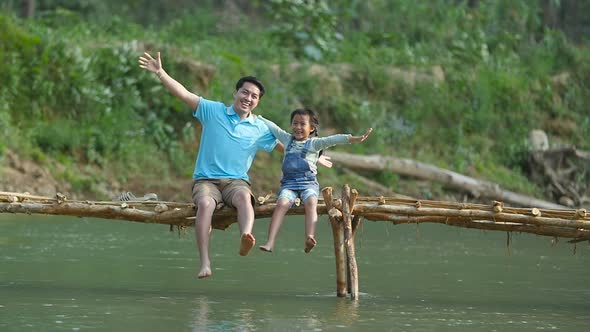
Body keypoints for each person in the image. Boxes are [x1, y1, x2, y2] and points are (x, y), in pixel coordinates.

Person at [138, 51, 278, 279]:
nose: (248, 98)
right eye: (245, 92)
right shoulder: (213, 111)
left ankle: (246, 236)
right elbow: (184, 94)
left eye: (254, 96)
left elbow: (285, 146)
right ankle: (205, 262)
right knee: (204, 204)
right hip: (206, 180)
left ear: (257, 102)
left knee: (244, 198)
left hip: (236, 182)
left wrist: (314, 156)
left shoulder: (260, 127)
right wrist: (161, 73)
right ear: (235, 93)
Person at [258, 109, 373, 253]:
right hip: (289, 184)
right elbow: (273, 127)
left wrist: (355, 139)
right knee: (281, 204)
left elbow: (333, 139)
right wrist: (258, 117)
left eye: (302, 124)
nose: (298, 127)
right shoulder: (287, 140)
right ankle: (270, 242)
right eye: (295, 123)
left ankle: (310, 237)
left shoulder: (314, 144)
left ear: (311, 128)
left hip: (308, 184)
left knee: (311, 201)